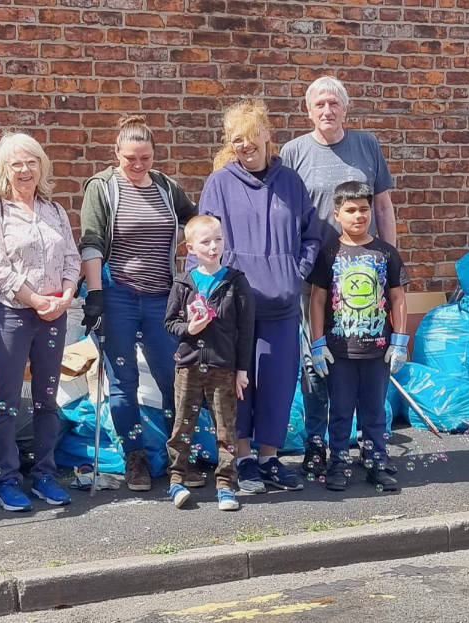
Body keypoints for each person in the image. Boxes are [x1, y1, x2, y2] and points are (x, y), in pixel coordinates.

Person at [196, 98, 322, 494]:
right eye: (237, 141)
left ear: (268, 136)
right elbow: (204, 238)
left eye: (251, 138)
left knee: (279, 381)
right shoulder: (219, 182)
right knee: (239, 383)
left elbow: (312, 235)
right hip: (236, 307)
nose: (245, 147)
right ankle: (244, 458)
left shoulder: (291, 182)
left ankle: (270, 457)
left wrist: (295, 270)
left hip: (282, 305)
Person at [280, 75, 398, 478]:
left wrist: (389, 263)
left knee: (364, 359)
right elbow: (285, 216)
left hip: (364, 275)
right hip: (312, 278)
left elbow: (382, 206)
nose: (327, 112)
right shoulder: (293, 152)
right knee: (316, 364)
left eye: (333, 104)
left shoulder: (366, 144)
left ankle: (368, 448)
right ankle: (317, 446)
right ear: (308, 111)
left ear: (345, 108)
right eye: (319, 106)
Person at [78, 114, 197, 492]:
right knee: (123, 382)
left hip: (162, 296)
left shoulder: (165, 187)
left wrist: (200, 270)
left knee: (174, 376)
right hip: (118, 296)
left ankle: (180, 456)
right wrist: (95, 294)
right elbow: (92, 240)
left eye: (145, 158)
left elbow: (196, 222)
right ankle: (136, 458)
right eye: (130, 158)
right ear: (116, 153)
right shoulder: (102, 187)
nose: (138, 165)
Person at [0, 132, 80, 512]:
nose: (25, 169)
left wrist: (67, 294)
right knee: (5, 401)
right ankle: (6, 479)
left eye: (31, 162)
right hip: (11, 315)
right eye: (16, 163)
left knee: (47, 400)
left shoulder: (54, 210)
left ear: (42, 166)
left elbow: (71, 256)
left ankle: (44, 474)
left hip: (54, 315)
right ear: (4, 170)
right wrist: (36, 300)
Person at [307, 181, 408, 492]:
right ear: (337, 214)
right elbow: (317, 300)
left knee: (375, 410)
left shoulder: (385, 253)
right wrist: (318, 343)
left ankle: (377, 460)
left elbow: (398, 298)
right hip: (340, 351)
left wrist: (400, 341)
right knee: (339, 410)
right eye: (351, 210)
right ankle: (338, 462)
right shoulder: (328, 254)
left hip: (377, 350)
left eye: (364, 209)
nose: (359, 215)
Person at [164, 216, 254, 511]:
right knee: (182, 426)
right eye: (206, 241)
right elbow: (170, 322)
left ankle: (226, 485)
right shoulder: (183, 281)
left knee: (225, 428)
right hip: (188, 366)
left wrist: (242, 369)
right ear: (190, 247)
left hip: (223, 366)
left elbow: (246, 330)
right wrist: (189, 329)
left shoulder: (235, 281)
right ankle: (176, 480)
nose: (213, 246)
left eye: (218, 239)